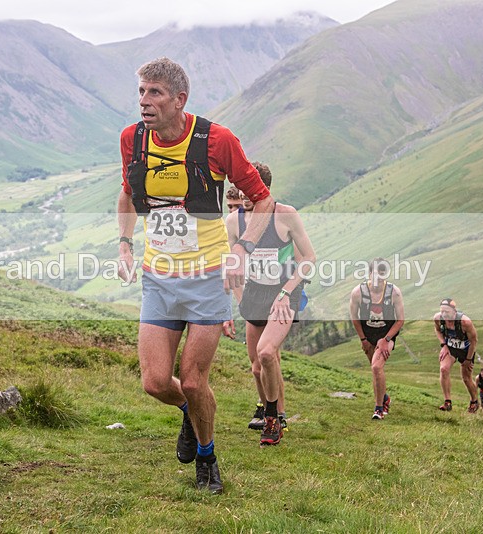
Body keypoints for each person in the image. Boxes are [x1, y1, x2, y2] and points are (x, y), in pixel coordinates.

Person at [117, 57, 274, 494]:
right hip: (159, 277)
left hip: (206, 278)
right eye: (141, 92)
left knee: (192, 378)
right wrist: (125, 244)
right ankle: (191, 411)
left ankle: (207, 459)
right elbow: (128, 193)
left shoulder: (217, 140)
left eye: (155, 93)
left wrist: (241, 249)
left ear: (179, 100)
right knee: (154, 382)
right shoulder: (133, 139)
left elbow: (263, 200)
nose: (144, 102)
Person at [224, 162, 316, 445]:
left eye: (251, 189)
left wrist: (287, 293)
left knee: (266, 353)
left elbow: (309, 259)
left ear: (264, 189)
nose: (245, 194)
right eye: (242, 188)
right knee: (256, 367)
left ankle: (273, 419)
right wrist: (238, 302)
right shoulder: (234, 222)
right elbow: (235, 267)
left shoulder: (285, 215)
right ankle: (273, 412)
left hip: (283, 294)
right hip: (254, 294)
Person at [349, 258, 405, 420]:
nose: (378, 277)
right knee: (375, 371)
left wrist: (386, 339)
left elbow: (400, 320)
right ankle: (384, 397)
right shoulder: (358, 293)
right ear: (369, 273)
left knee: (376, 368)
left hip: (386, 335)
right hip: (368, 335)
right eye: (375, 273)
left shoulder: (394, 292)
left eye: (382, 273)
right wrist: (363, 340)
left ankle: (379, 408)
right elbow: (354, 318)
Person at [434, 298, 479, 413]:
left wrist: (468, 359)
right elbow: (438, 330)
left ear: (454, 311)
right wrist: (443, 345)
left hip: (466, 349)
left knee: (466, 378)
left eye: (447, 312)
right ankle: (447, 401)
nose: (444, 314)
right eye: (442, 311)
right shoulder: (438, 318)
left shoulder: (465, 322)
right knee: (444, 369)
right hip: (451, 347)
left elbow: (474, 341)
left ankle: (474, 401)